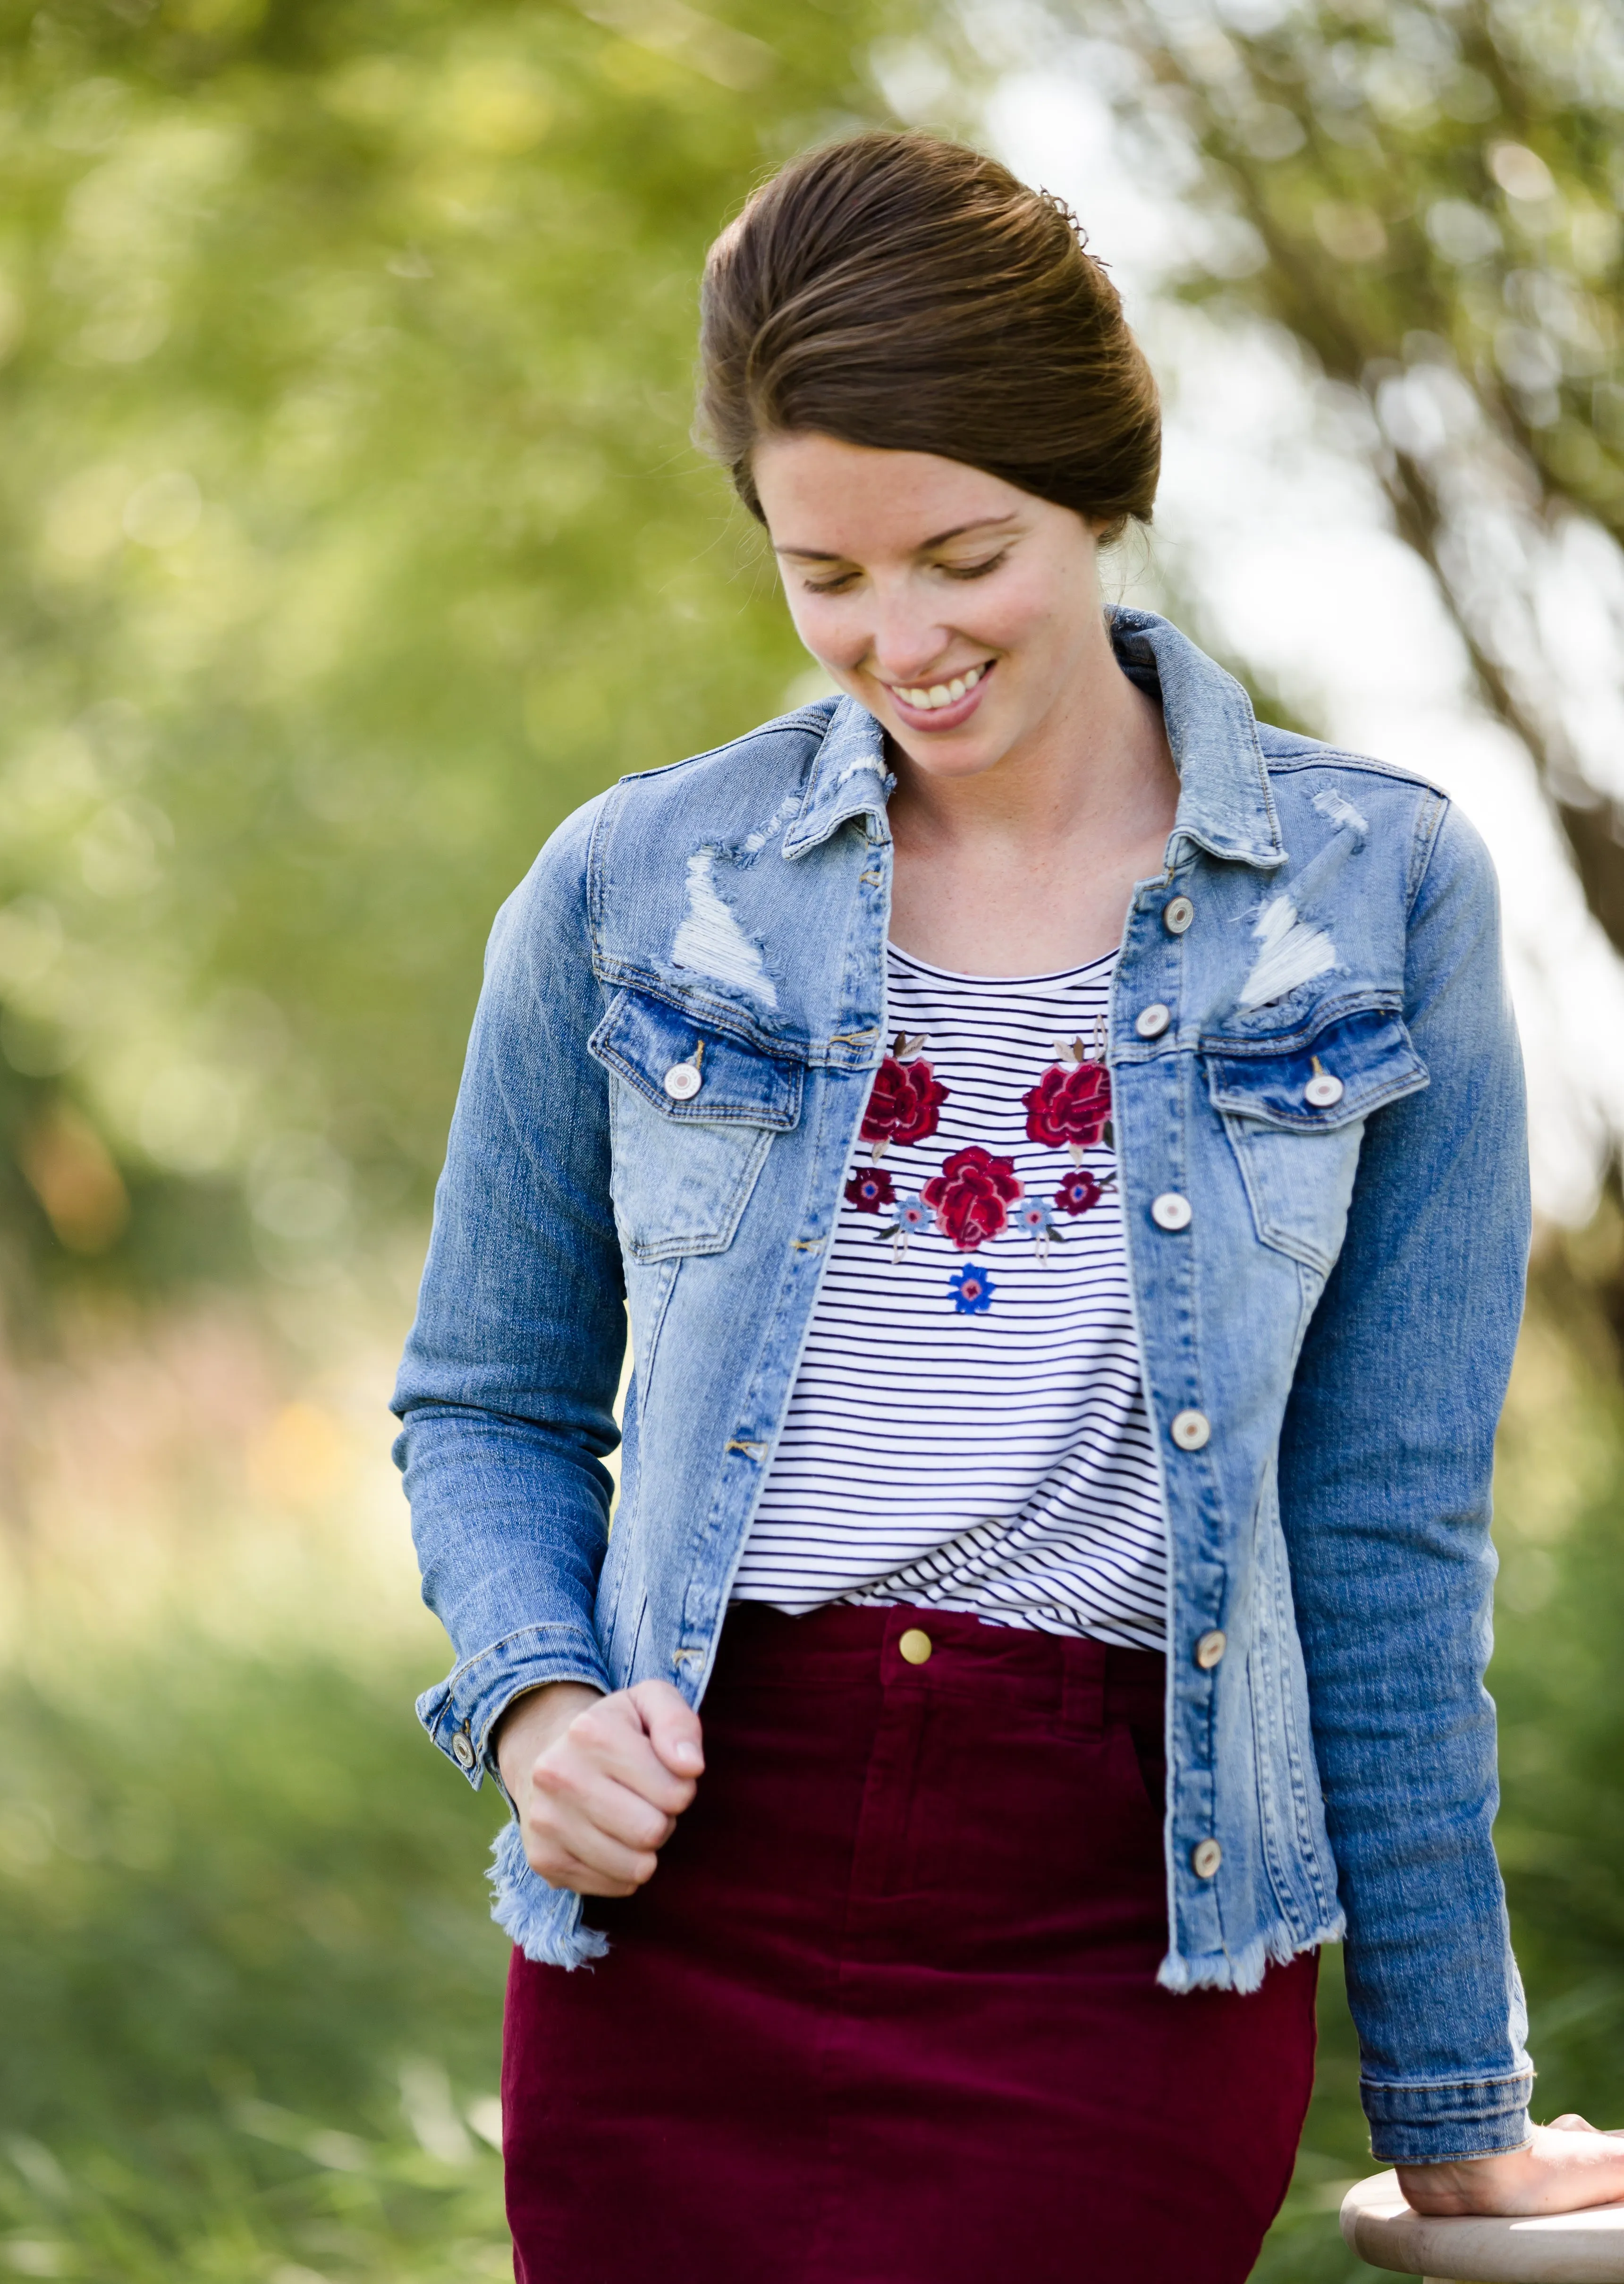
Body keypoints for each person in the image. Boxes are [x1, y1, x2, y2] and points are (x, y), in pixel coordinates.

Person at [391, 131, 1624, 2284]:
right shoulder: (628, 890)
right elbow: (487, 1397)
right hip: (688, 1904)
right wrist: (539, 1706)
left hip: (1126, 1915)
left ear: (1098, 487)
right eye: (825, 573)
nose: (900, 639)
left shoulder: (1380, 893)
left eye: (963, 553)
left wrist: (1453, 2107)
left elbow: (1388, 1528)